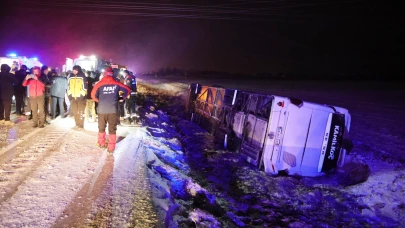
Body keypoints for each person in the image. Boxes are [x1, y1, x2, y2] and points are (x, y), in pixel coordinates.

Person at [91, 67, 130, 152]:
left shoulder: (99, 84)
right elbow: (127, 89)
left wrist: (99, 101)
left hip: (102, 110)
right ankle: (111, 148)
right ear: (112, 74)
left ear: (104, 74)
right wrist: (122, 98)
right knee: (112, 129)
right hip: (113, 109)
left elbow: (93, 96)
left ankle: (101, 143)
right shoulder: (116, 83)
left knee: (101, 127)